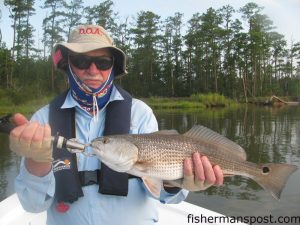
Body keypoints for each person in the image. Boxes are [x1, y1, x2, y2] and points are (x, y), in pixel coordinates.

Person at [9, 25, 223, 225]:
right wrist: (36, 163)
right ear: (67, 64)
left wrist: (177, 183)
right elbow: (33, 206)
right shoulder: (42, 120)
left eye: (103, 62)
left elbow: (164, 193)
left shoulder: (140, 114)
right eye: (81, 61)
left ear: (113, 67)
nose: (93, 70)